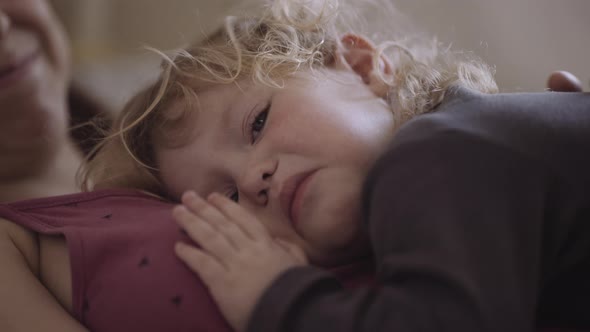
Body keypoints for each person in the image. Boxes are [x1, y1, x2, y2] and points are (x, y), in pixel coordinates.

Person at [0, 0, 586, 332]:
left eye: (257, 124)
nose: (253, 179)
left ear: (361, 66)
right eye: (225, 200)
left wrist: (277, 295)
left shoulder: (434, 156)